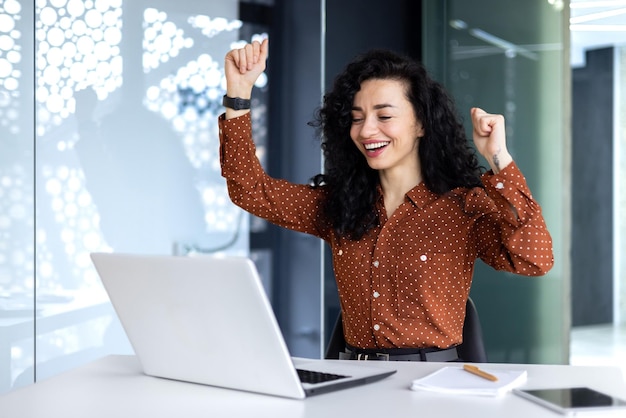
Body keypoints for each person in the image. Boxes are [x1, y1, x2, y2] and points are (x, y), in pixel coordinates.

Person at [219, 38, 554, 361]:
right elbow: (250, 190)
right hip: (353, 383)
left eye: (384, 115)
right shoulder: (341, 205)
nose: (366, 131)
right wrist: (239, 93)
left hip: (434, 387)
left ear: (421, 123)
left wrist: (499, 158)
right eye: (357, 117)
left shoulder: (463, 207)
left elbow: (534, 259)